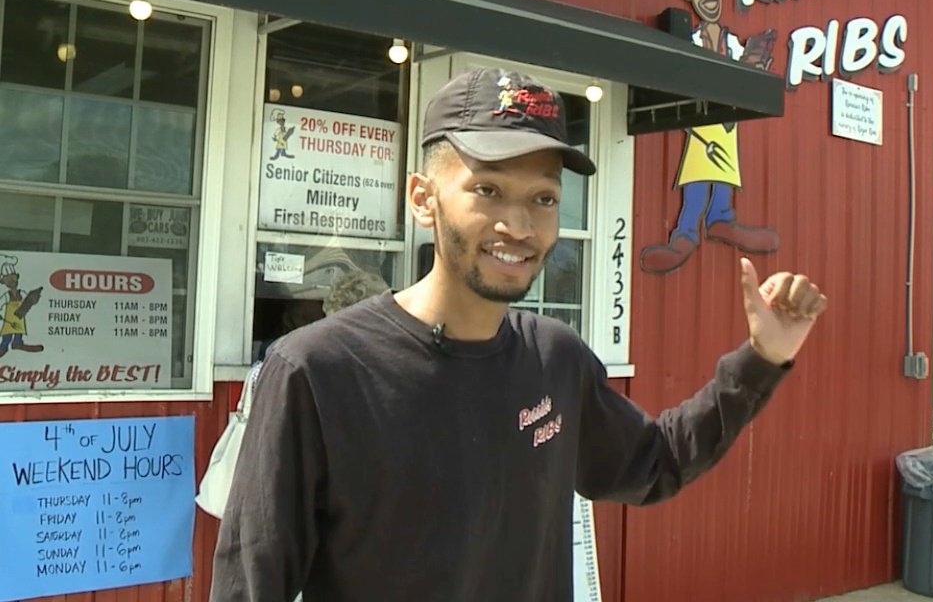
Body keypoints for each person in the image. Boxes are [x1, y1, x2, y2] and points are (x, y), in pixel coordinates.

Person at [210, 66, 828, 602]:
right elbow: (250, 581)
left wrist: (763, 358)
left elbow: (655, 463)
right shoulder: (316, 371)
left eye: (543, 199)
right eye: (487, 190)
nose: (518, 224)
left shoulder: (553, 359)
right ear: (424, 200)